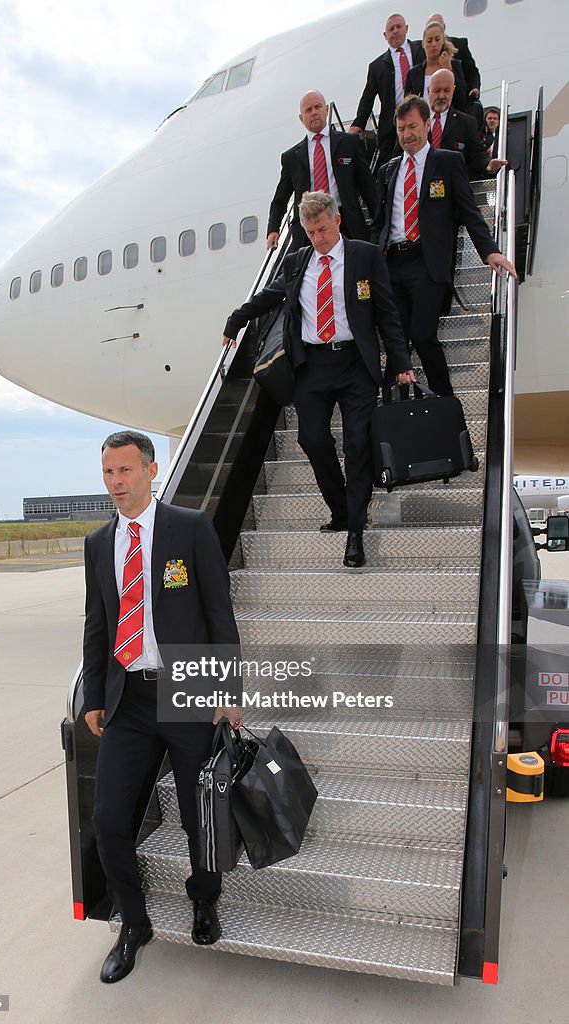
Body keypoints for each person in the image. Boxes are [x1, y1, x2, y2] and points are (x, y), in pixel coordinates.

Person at [82, 430, 242, 984]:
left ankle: (204, 898)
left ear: (150, 471)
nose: (116, 483)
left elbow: (220, 616)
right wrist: (95, 697)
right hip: (127, 698)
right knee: (107, 817)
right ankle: (134, 921)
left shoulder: (190, 529)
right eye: (108, 473)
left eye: (125, 471)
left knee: (201, 816)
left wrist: (227, 692)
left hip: (187, 691)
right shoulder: (99, 542)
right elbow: (97, 624)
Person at [224, 191, 416, 569]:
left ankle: (356, 531)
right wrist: (237, 318)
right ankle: (341, 508)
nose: (318, 239)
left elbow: (387, 314)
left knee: (358, 445)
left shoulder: (365, 256)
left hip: (356, 365)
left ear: (337, 220)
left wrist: (401, 362)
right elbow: (270, 296)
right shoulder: (298, 262)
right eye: (311, 232)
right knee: (311, 438)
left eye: (323, 229)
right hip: (313, 366)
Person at [374, 96, 517, 396]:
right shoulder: (389, 170)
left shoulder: (447, 162)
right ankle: (391, 413)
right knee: (395, 342)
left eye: (412, 126)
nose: (406, 134)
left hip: (427, 262)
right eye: (401, 129)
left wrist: (490, 250)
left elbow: (469, 211)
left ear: (427, 124)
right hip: (393, 265)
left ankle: (446, 402)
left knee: (423, 335)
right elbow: (381, 221)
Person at [267, 90, 377, 253]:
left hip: (345, 223)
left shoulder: (349, 143)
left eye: (317, 107)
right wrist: (273, 229)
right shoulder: (292, 157)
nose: (314, 113)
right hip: (309, 231)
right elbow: (280, 198)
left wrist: (380, 224)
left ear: (326, 109)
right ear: (301, 118)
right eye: (308, 110)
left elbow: (368, 187)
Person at [349, 13, 424, 168]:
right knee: (391, 168)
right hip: (391, 127)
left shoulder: (423, 50)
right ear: (385, 35)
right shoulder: (377, 66)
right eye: (391, 29)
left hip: (421, 117)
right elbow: (367, 97)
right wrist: (358, 124)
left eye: (398, 27)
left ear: (406, 28)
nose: (395, 31)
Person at [428, 69, 506, 179]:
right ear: (428, 90)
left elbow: (477, 155)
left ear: (453, 90)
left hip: (453, 188)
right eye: (437, 90)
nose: (441, 96)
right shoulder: (417, 120)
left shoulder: (466, 123)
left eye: (446, 91)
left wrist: (488, 165)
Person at [404, 20, 468, 114]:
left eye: (437, 39)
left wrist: (449, 70)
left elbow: (462, 99)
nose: (433, 45)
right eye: (429, 41)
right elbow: (408, 105)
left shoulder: (455, 65)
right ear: (423, 44)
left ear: (443, 40)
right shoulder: (414, 73)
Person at [427, 10, 481, 100]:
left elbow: (471, 70)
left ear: (444, 27)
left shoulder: (460, 45)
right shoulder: (422, 51)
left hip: (457, 96)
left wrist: (474, 88)